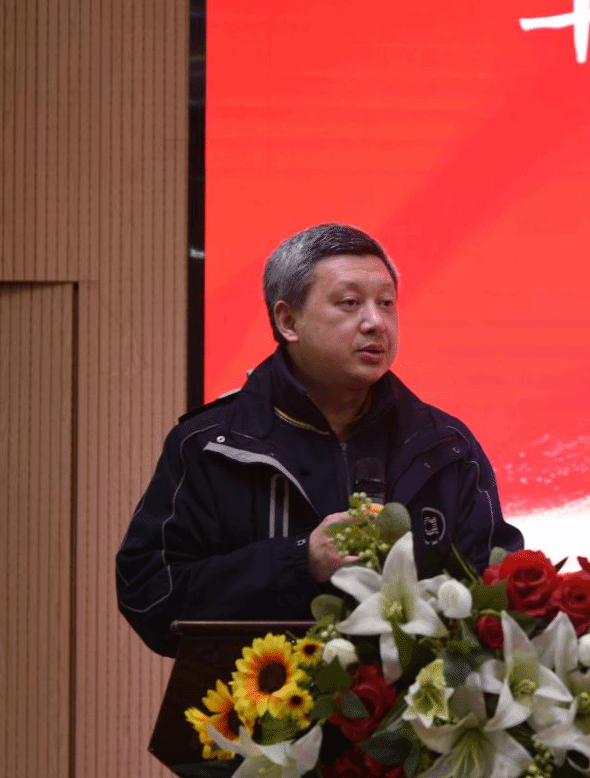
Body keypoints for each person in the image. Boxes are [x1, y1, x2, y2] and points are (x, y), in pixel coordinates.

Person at [116, 223, 524, 655]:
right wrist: (299, 560)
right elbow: (149, 595)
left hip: (411, 699)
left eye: (386, 303)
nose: (376, 322)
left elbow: (494, 597)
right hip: (259, 691)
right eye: (350, 303)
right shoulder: (210, 445)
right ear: (288, 321)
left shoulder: (445, 446)